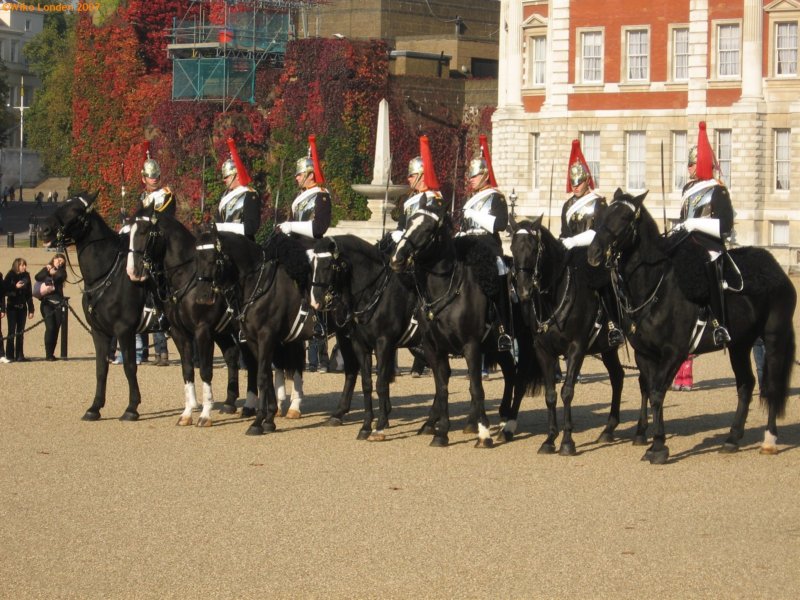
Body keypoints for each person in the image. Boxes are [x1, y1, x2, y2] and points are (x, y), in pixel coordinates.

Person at [275, 136, 332, 418]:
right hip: (293, 250)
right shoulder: (299, 198)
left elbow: (319, 227)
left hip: (310, 251)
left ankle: (318, 323)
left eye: (300, 173)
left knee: (314, 284)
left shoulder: (321, 195)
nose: (297, 177)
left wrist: (290, 225)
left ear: (310, 174)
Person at [673, 121, 734, 347]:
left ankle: (719, 324)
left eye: (692, 164)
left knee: (709, 267)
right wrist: (681, 227)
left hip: (710, 246)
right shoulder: (687, 189)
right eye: (688, 164)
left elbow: (725, 226)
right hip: (686, 244)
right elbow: (683, 218)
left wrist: (693, 224)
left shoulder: (718, 189)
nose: (688, 168)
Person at [559, 139, 624, 348]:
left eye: (579, 182)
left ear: (587, 180)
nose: (575, 186)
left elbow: (599, 232)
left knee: (603, 282)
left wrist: (574, 240)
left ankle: (614, 324)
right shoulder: (567, 205)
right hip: (570, 253)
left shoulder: (598, 203)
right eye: (573, 182)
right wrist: (562, 241)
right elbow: (564, 232)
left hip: (591, 253)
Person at [458, 134, 513, 352]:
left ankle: (502, 330)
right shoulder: (469, 201)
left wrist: (473, 213)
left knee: (497, 285)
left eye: (475, 175)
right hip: (468, 245)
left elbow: (500, 224)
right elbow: (464, 227)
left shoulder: (496, 198)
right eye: (470, 176)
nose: (470, 179)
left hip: (488, 248)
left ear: (485, 175)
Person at [139, 148, 176, 366]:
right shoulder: (142, 197)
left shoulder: (166, 195)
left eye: (156, 176)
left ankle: (164, 350)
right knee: (149, 302)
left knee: (161, 299)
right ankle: (151, 350)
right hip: (147, 252)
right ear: (144, 179)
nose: (154, 180)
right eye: (150, 177)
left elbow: (162, 218)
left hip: (163, 248)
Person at [216, 137, 261, 241]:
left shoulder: (250, 194)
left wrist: (225, 227)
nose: (224, 180)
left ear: (236, 176)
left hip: (244, 244)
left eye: (227, 177)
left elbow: (252, 227)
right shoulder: (224, 197)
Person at [35, 253, 67, 361]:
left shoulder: (62, 271)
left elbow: (59, 278)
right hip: (47, 303)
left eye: (62, 262)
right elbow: (38, 277)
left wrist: (56, 269)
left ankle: (52, 353)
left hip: (58, 303)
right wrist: (47, 271)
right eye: (58, 260)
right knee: (50, 327)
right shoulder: (46, 268)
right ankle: (48, 354)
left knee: (56, 328)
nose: (60, 262)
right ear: (53, 259)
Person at [3, 258, 34, 362]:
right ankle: (10, 355)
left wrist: (31, 309)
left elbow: (29, 294)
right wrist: (15, 287)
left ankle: (20, 355)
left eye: (25, 265)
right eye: (22, 265)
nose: (24, 267)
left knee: (20, 332)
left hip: (22, 307)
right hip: (12, 307)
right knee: (11, 331)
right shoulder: (10, 275)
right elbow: (5, 290)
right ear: (17, 266)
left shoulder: (26, 276)